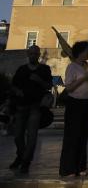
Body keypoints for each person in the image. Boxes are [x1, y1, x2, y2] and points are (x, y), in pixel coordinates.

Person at [10, 45, 52, 174]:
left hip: (36, 107)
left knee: (32, 137)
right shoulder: (22, 69)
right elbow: (13, 85)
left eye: (35, 53)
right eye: (31, 53)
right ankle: (21, 156)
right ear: (28, 54)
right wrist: (18, 91)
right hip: (21, 106)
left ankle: (25, 162)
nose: (33, 56)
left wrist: (39, 80)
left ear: (39, 55)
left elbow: (49, 86)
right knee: (17, 136)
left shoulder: (44, 69)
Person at [59, 41, 88, 177]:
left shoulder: (86, 66)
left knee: (83, 135)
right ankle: (68, 168)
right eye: (87, 50)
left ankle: (80, 166)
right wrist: (84, 78)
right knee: (72, 136)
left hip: (87, 102)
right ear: (80, 52)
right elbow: (69, 87)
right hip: (75, 103)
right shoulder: (72, 67)